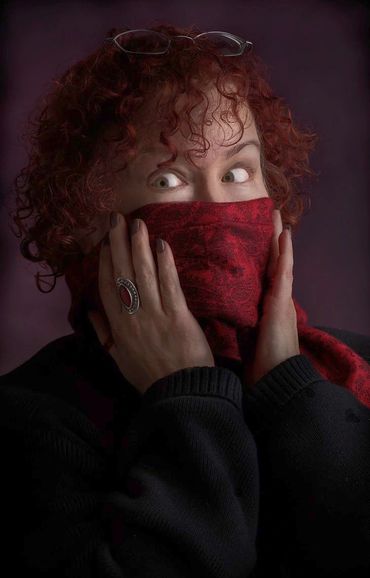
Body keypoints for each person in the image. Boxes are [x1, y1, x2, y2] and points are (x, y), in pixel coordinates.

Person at [1, 23, 369, 578]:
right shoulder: (32, 421)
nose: (217, 209)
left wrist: (289, 388)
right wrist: (189, 397)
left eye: (239, 171)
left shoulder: (355, 368)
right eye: (168, 179)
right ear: (91, 219)